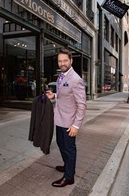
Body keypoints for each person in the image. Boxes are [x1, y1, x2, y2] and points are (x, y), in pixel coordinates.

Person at [46, 48, 87, 187]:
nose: (62, 63)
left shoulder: (76, 79)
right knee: (60, 144)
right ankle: (68, 166)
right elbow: (66, 95)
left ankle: (69, 177)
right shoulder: (62, 75)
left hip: (69, 122)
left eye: (65, 60)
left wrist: (76, 125)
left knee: (69, 148)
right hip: (60, 119)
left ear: (71, 61)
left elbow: (82, 105)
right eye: (60, 61)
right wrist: (55, 96)